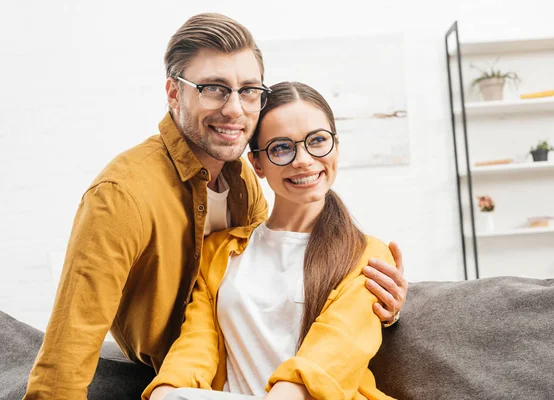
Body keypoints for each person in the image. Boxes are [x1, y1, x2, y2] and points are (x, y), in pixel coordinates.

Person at [23, 13, 406, 399]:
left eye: (248, 90)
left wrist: (384, 307)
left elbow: (277, 280)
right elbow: (70, 347)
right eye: (213, 88)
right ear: (174, 93)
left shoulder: (242, 181)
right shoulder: (122, 196)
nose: (235, 110)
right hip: (181, 378)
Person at [144, 81, 403, 400]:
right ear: (257, 164)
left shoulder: (367, 255)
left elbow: (326, 362)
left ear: (336, 145)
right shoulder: (218, 252)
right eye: (281, 148)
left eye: (318, 141)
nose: (304, 160)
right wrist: (167, 391)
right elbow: (194, 348)